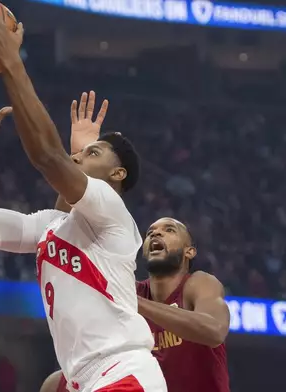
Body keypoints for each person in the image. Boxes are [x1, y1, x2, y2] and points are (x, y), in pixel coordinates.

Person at [0, 3, 165, 391]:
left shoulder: (112, 212)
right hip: (83, 378)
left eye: (95, 153)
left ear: (117, 175)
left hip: (125, 373)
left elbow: (47, 158)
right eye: (81, 153)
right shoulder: (51, 227)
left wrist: (10, 61)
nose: (79, 155)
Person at [41, 96, 230, 392]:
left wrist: (134, 304)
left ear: (190, 251)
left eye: (169, 230)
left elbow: (214, 330)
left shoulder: (197, 284)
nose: (156, 234)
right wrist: (78, 159)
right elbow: (61, 229)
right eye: (152, 231)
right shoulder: (126, 286)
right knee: (55, 384)